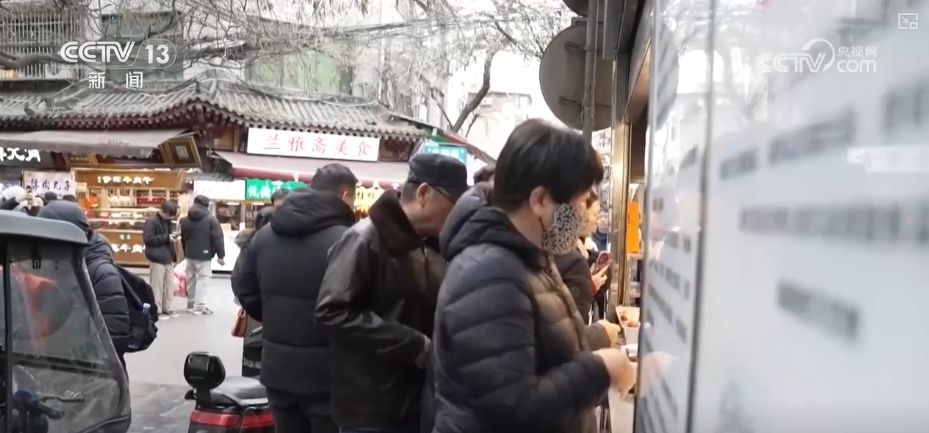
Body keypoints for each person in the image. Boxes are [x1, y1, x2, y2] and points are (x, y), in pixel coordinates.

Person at [431, 119, 637, 433]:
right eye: (582, 201)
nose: (584, 214)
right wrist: (601, 369)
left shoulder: (531, 258)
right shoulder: (489, 275)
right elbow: (512, 408)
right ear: (540, 200)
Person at [315, 153, 468, 433]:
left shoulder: (436, 247)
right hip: (370, 410)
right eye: (454, 202)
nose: (458, 212)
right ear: (424, 194)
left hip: (419, 403)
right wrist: (413, 344)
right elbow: (332, 312)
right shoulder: (364, 238)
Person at [232, 164, 359, 433]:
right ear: (346, 196)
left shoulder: (264, 236)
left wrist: (272, 315)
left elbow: (243, 286)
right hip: (330, 375)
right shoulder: (349, 240)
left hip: (278, 371)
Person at [36, 201, 131, 367]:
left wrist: (84, 366)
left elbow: (114, 336)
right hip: (56, 368)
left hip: (92, 372)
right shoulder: (54, 265)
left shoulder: (102, 273)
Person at [556, 192, 611, 323]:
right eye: (595, 215)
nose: (597, 221)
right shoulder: (568, 255)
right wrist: (590, 286)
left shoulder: (579, 246)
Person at [180, 195, 226, 315]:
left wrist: (186, 251)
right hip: (204, 255)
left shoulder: (185, 220)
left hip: (189, 254)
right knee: (203, 279)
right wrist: (221, 255)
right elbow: (217, 238)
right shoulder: (211, 220)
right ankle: (200, 306)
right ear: (206, 205)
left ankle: (190, 304)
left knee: (190, 278)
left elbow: (183, 237)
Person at [143, 200, 179, 320]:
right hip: (156, 257)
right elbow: (148, 239)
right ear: (165, 212)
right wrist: (166, 238)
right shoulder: (151, 221)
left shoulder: (167, 221)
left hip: (167, 256)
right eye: (170, 215)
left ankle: (167, 308)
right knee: (157, 285)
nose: (171, 217)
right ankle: (157, 310)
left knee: (169, 285)